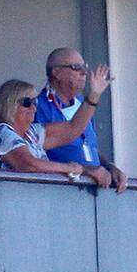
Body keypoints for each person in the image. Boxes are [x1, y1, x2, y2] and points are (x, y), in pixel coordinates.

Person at [36, 48, 125, 190]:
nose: (84, 73)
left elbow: (88, 147)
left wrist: (108, 166)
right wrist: (87, 170)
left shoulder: (83, 104)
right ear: (56, 72)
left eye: (85, 67)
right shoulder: (36, 107)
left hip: (92, 195)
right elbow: (34, 155)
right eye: (76, 68)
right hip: (60, 192)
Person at [0, 78, 98, 179]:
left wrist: (94, 95)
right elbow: (30, 165)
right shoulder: (1, 132)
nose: (34, 108)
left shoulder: (31, 134)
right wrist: (71, 168)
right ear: (9, 104)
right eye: (27, 102)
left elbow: (73, 129)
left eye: (36, 102)